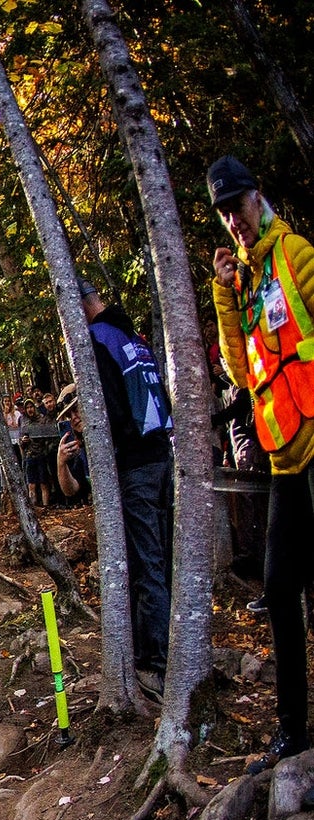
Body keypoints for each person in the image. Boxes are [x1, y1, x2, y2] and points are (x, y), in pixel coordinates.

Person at [210, 156, 314, 768]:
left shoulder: (296, 255)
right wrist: (225, 293)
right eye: (224, 213)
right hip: (284, 460)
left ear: (259, 198)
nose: (234, 220)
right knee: (277, 589)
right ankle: (293, 731)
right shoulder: (246, 283)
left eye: (238, 206)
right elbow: (240, 371)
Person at [74, 276, 174, 691]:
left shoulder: (98, 340)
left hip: (135, 463)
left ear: (80, 305)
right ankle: (157, 651)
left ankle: (156, 663)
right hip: (161, 455)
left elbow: (111, 410)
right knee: (159, 556)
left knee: (146, 561)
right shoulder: (131, 336)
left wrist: (97, 457)